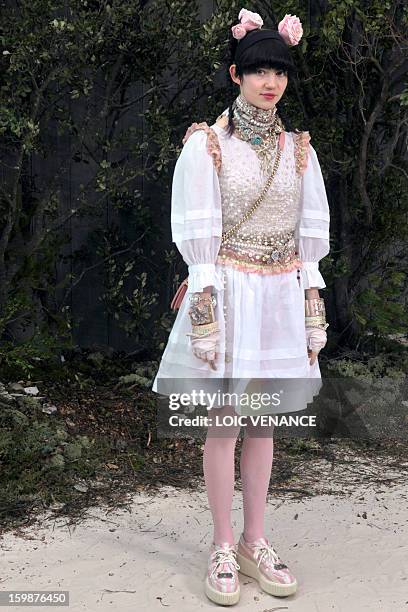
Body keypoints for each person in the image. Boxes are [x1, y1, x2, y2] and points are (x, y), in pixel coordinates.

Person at [152, 7, 330, 606]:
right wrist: (203, 313)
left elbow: (310, 243)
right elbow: (197, 240)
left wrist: (311, 308)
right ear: (236, 74)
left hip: (278, 295)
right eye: (258, 70)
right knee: (224, 422)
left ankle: (257, 539)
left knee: (265, 423)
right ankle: (222, 544)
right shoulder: (208, 146)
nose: (270, 82)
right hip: (229, 293)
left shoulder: (300, 149)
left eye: (278, 70)